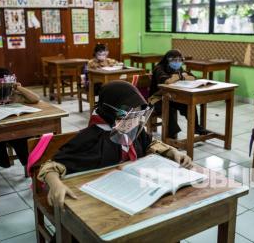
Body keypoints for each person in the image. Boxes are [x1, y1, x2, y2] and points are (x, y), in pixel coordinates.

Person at [37, 81, 192, 207]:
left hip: (132, 194)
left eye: (138, 114)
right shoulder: (91, 137)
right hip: (98, 201)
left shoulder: (132, 130)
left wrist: (173, 152)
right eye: (130, 114)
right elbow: (51, 166)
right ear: (111, 110)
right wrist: (55, 183)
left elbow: (149, 143)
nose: (136, 121)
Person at [149, 49, 209, 139]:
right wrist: (181, 76)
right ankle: (171, 136)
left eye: (179, 60)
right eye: (174, 60)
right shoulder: (159, 68)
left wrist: (179, 77)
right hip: (156, 98)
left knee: (188, 104)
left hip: (171, 96)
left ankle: (196, 127)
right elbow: (167, 81)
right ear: (168, 60)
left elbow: (193, 77)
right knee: (168, 108)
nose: (177, 62)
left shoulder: (177, 68)